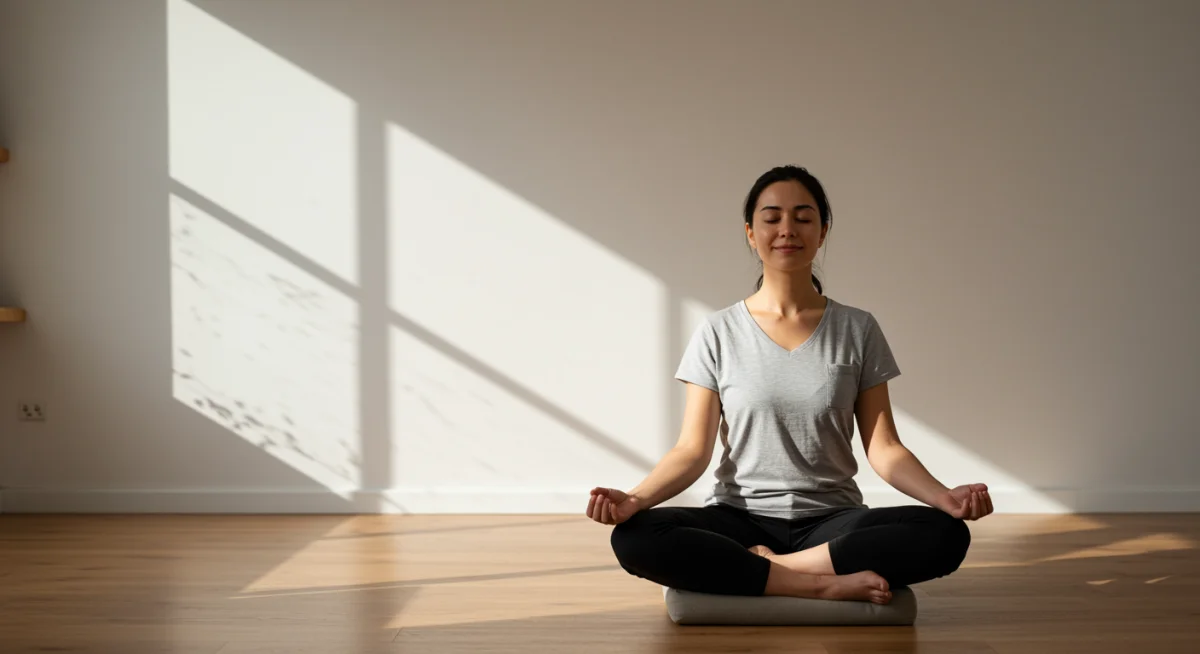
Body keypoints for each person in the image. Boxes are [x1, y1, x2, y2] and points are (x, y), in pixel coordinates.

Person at [586, 165, 993, 605]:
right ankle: (819, 583)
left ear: (822, 232)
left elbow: (885, 448)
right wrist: (634, 500)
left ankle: (772, 568)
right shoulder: (718, 332)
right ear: (750, 233)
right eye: (772, 217)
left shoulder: (857, 328)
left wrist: (944, 497)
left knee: (944, 533)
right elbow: (691, 450)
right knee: (635, 536)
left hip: (832, 521)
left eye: (802, 217)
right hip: (739, 518)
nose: (787, 230)